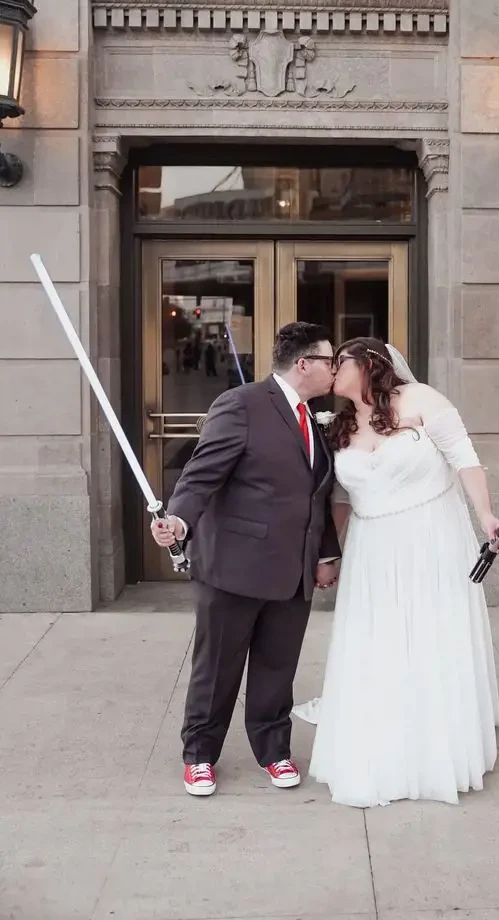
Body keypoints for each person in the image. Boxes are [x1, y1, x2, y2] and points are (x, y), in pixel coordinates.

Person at [294, 337, 499, 808]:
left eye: (339, 362)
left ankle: (437, 744)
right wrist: (329, 555)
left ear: (369, 363)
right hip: (373, 549)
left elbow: (465, 459)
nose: (331, 370)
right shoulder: (342, 424)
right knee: (377, 641)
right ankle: (384, 738)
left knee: (430, 635)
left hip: (429, 538)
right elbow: (344, 499)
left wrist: (488, 517)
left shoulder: (422, 400)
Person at [151, 322, 340, 797]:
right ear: (304, 364)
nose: (335, 369)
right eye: (328, 360)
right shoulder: (242, 405)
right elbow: (200, 475)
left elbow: (316, 496)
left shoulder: (314, 417)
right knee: (217, 668)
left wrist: (324, 554)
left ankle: (274, 750)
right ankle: (199, 755)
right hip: (234, 567)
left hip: (292, 570)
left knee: (278, 668)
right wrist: (178, 521)